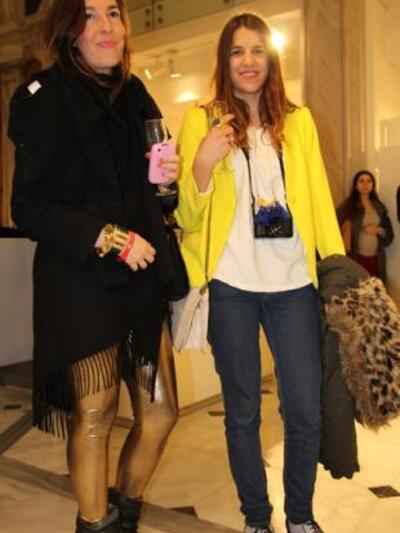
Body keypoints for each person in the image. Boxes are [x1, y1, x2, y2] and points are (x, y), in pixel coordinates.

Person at [9, 1, 180, 531]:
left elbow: (160, 195)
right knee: (95, 413)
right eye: (89, 15)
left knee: (160, 412)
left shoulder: (136, 94)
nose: (106, 27)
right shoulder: (42, 97)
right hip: (80, 279)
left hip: (140, 277)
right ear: (68, 30)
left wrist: (166, 183)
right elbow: (30, 207)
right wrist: (108, 236)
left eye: (113, 13)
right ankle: (95, 521)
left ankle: (122, 512)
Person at [175, 13, 345, 533]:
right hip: (231, 287)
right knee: (243, 412)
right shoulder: (201, 120)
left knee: (305, 409)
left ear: (271, 60)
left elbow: (318, 198)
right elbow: (186, 215)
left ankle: (300, 518)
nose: (247, 61)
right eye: (236, 51)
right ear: (223, 61)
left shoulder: (299, 121)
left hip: (293, 284)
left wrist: (336, 271)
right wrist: (203, 162)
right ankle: (256, 518)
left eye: (256, 50)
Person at [337, 170, 394, 281]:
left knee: (375, 288)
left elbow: (389, 233)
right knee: (358, 288)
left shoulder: (379, 207)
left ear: (373, 185)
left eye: (369, 181)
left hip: (376, 259)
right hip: (355, 258)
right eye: (361, 181)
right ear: (355, 186)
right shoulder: (348, 206)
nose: (365, 184)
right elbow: (335, 226)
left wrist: (378, 230)